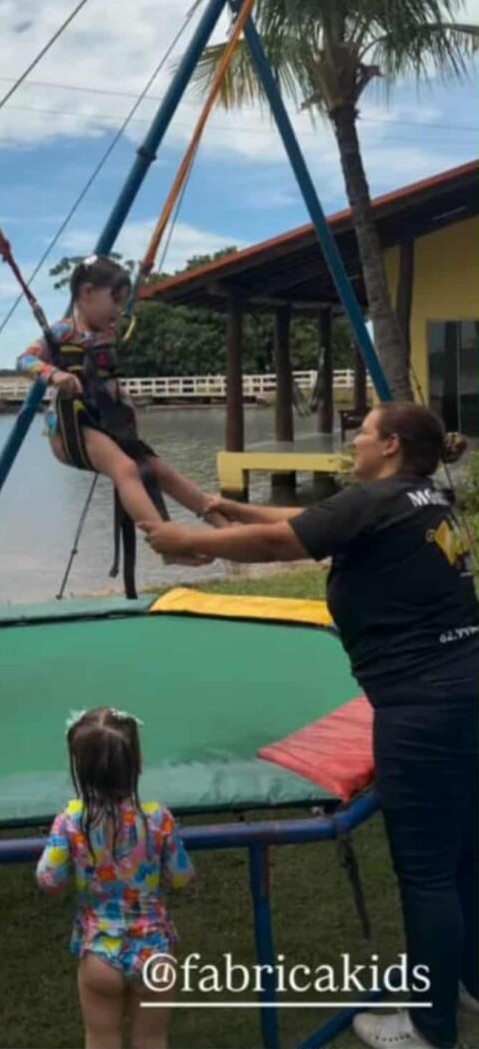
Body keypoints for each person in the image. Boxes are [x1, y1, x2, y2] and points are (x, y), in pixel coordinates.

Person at [140, 402, 478, 1049]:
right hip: (468, 686)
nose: (355, 435)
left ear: (391, 444)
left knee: (428, 870)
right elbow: (315, 524)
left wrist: (190, 544)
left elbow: (281, 542)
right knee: (465, 855)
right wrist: (236, 510)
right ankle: (465, 984)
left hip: (422, 706)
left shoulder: (377, 499)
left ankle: (432, 1028)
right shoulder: (427, 492)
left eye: (365, 429)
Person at [17, 255, 226, 563]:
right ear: (86, 293)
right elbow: (24, 360)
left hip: (108, 424)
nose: (118, 310)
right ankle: (167, 543)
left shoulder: (108, 332)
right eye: (114, 301)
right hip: (71, 430)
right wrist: (56, 375)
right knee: (126, 470)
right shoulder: (61, 333)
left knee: (157, 470)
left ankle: (222, 524)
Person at [35, 705, 195, 1049]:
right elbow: (182, 876)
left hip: (100, 952)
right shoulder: (158, 819)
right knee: (152, 1038)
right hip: (154, 950)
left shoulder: (71, 821)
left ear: (79, 769)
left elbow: (48, 878)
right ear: (137, 762)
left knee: (101, 1037)